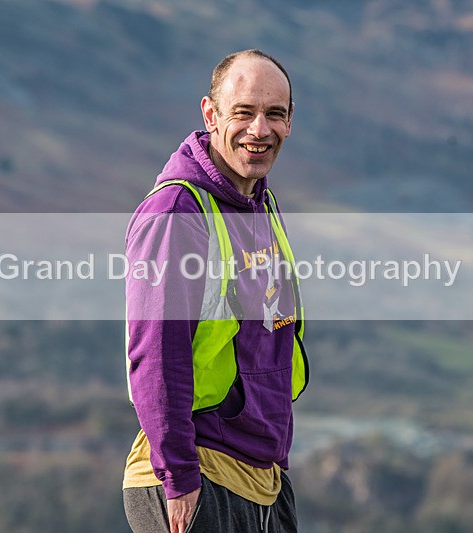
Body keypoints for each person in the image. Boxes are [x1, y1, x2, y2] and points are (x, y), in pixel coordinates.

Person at [122, 49, 308, 533]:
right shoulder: (178, 212)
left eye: (275, 114)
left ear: (291, 122)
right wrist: (178, 476)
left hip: (261, 475)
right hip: (197, 475)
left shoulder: (259, 203)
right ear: (210, 114)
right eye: (243, 112)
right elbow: (156, 352)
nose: (259, 129)